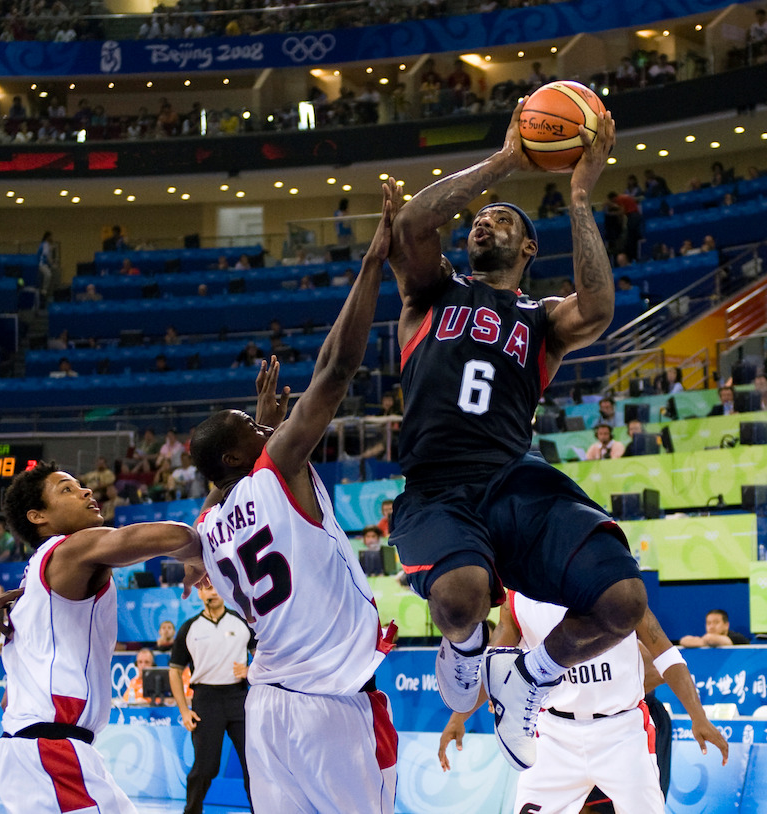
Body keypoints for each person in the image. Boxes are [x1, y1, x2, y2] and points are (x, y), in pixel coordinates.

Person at [384, 102, 642, 772]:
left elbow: (600, 309)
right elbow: (411, 224)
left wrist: (580, 196)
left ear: (529, 249)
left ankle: (530, 676)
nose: (482, 223)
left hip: (513, 478)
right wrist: (504, 161)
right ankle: (465, 650)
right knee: (462, 596)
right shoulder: (431, 294)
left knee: (622, 602)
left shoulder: (542, 319)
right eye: (476, 221)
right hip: (437, 486)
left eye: (501, 218)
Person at [189, 179, 399, 811]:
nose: (267, 429)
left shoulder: (207, 524)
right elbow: (335, 371)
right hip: (328, 704)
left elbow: (242, 489)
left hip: (270, 702)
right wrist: (371, 263)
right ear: (237, 455)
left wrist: (262, 428)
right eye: (254, 429)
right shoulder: (275, 470)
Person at [0, 460, 203, 813]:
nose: (86, 491)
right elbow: (175, 536)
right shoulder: (71, 548)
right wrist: (197, 555)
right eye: (67, 489)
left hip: (44, 747)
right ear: (37, 516)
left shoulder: (32, 579)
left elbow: (6, 702)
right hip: (50, 749)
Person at [439, 593, 728, 813]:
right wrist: (457, 718)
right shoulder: (517, 598)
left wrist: (697, 716)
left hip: (622, 732)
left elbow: (666, 655)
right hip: (554, 734)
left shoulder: (616, 584)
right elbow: (495, 665)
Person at [169, 582, 255, 814]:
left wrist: (251, 670)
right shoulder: (189, 628)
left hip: (238, 697)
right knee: (205, 768)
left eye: (216, 587)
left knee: (253, 766)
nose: (213, 592)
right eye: (206, 588)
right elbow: (175, 671)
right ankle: (192, 811)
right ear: (199, 593)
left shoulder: (242, 622)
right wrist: (184, 711)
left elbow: (264, 654)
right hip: (205, 700)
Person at [679, 608, 750, 647]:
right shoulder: (706, 639)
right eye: (708, 623)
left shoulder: (737, 638)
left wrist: (702, 642)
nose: (711, 626)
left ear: (726, 625)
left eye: (716, 622)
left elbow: (711, 639)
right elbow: (683, 641)